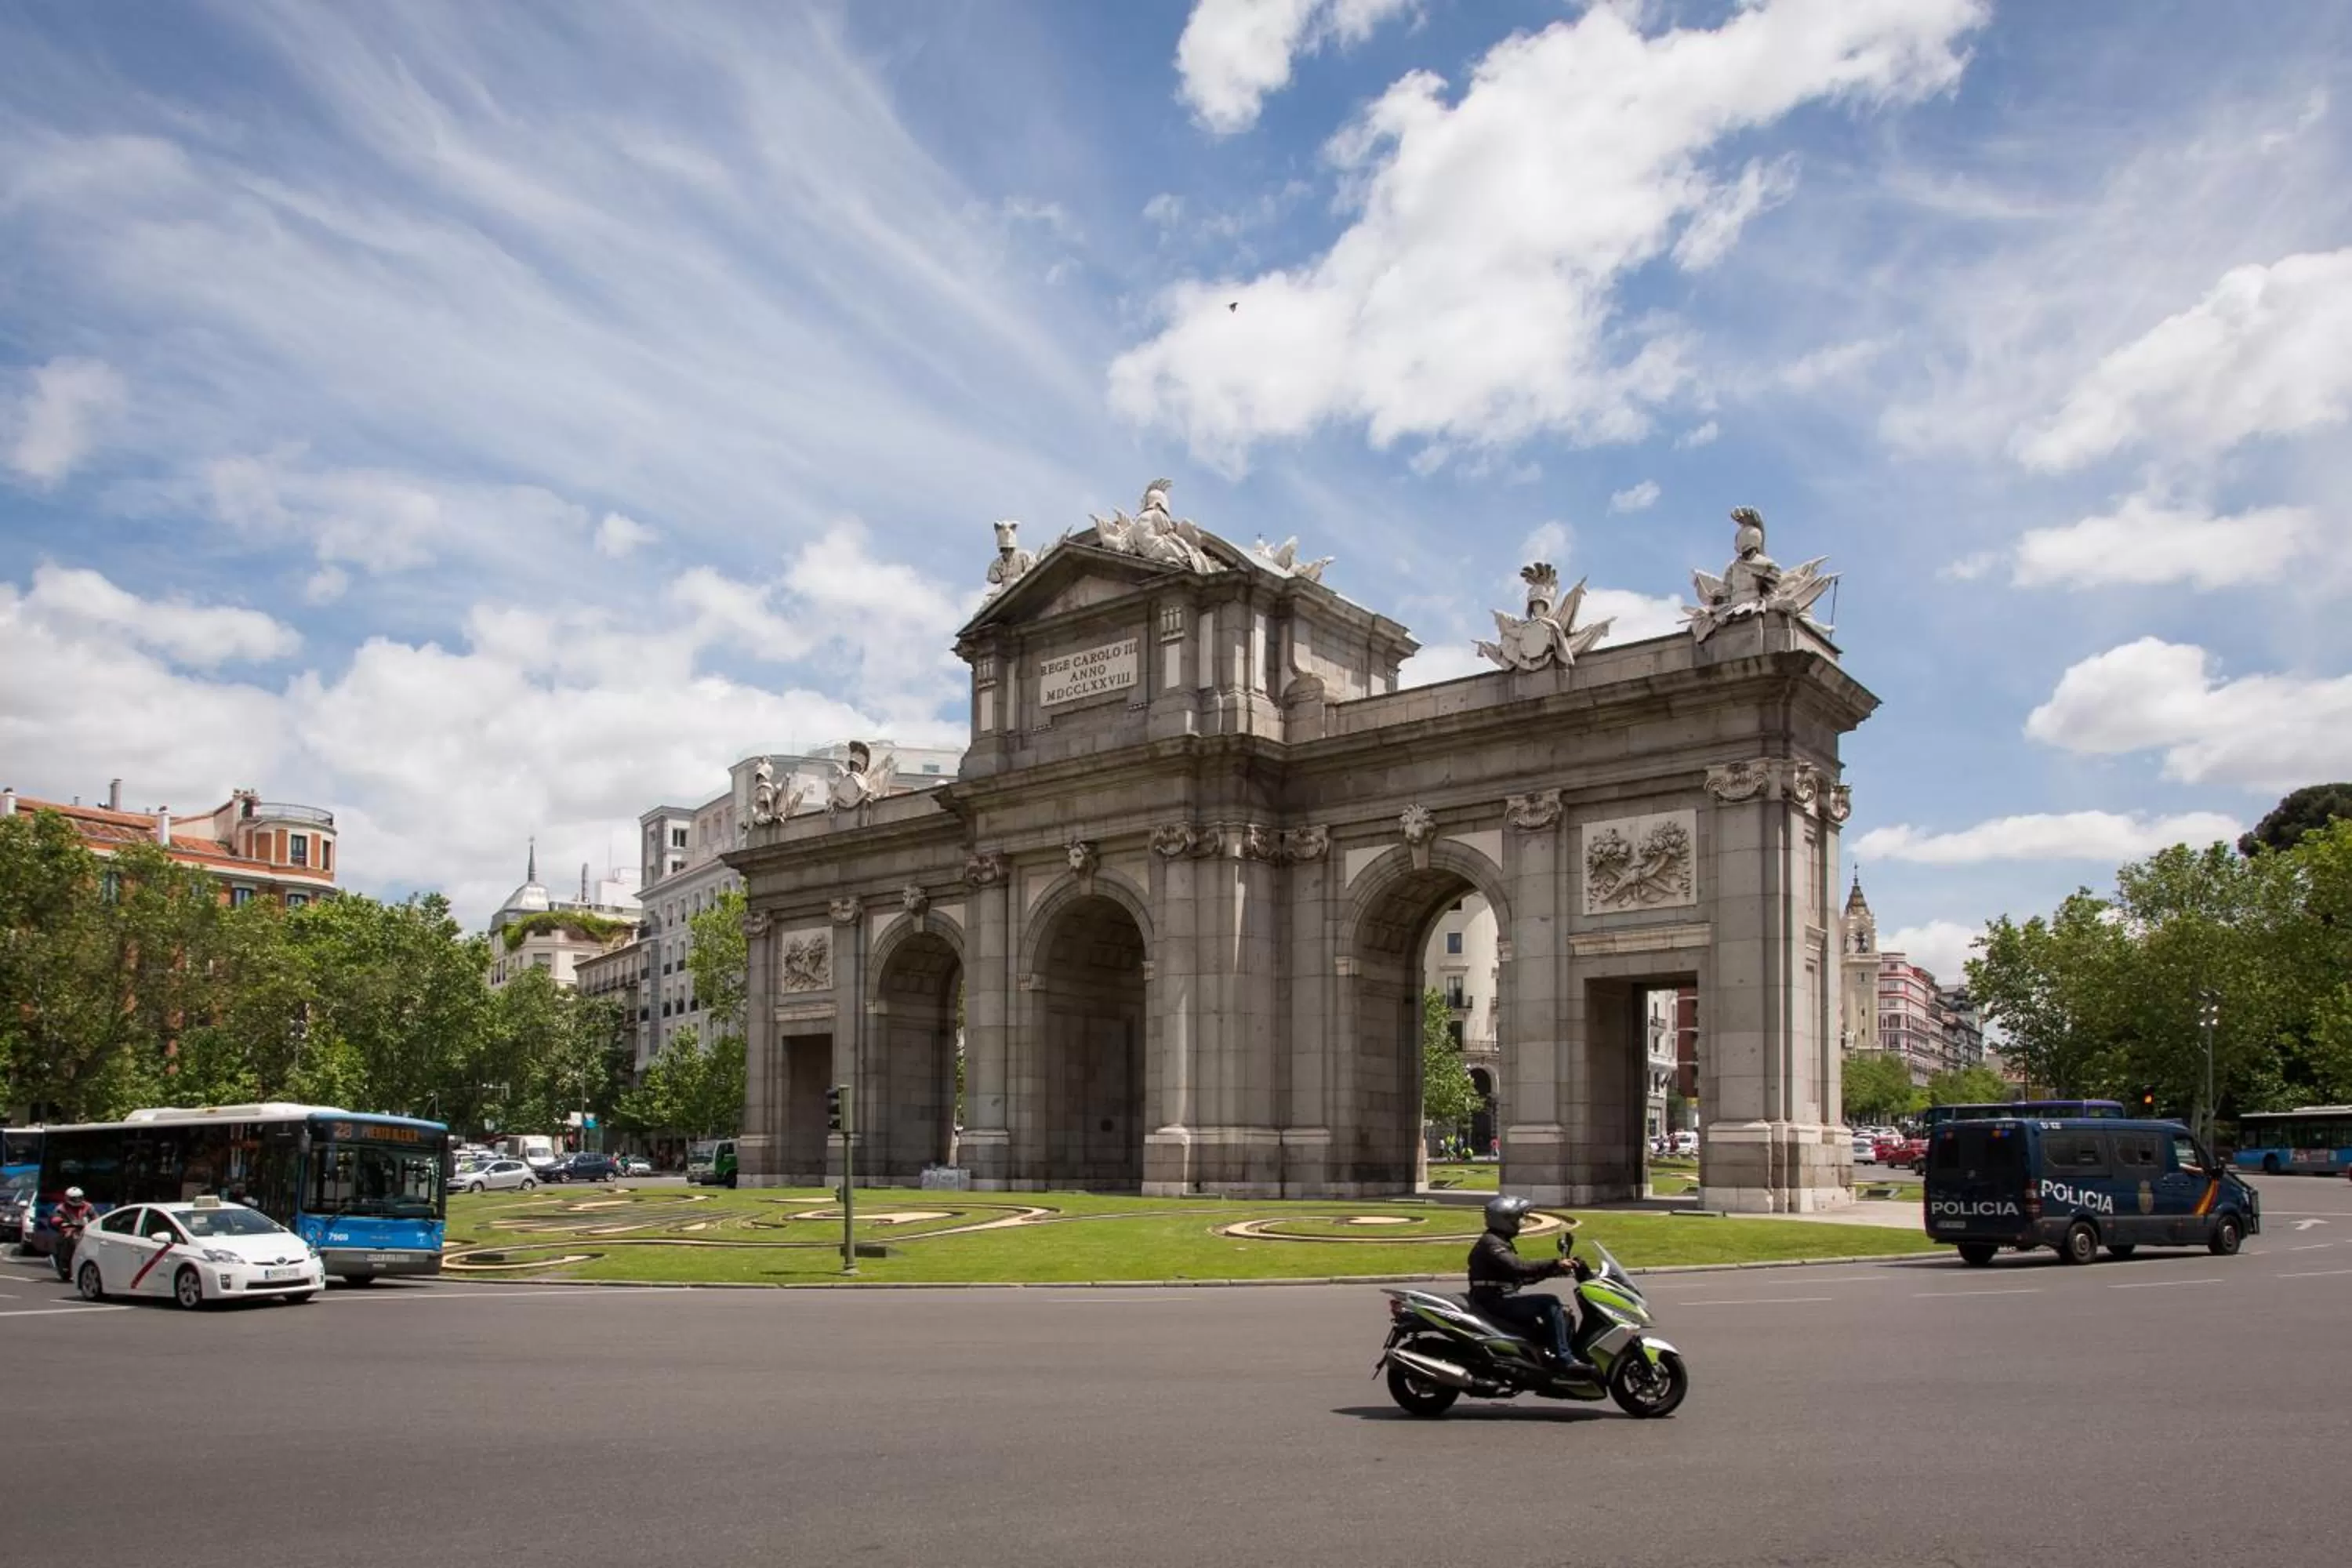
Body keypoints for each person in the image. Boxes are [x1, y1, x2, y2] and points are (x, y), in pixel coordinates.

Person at [1467, 1194, 1595, 1376]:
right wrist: (1554, 1264)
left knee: (1562, 1313)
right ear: (1505, 1220)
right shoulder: (1492, 1244)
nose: (1523, 1221)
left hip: (1500, 1296)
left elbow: (1521, 1277)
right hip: (1495, 1300)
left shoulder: (1497, 1241)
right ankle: (1564, 1360)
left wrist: (1556, 1269)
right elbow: (1519, 1268)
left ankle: (1542, 1359)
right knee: (1550, 1303)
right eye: (1519, 1217)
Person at [49, 1185, 96, 1282]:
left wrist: (95, 1222)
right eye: (74, 1198)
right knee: (67, 1237)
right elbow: (55, 1218)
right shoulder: (61, 1208)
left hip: (84, 1230)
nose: (77, 1200)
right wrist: (60, 1222)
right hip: (68, 1230)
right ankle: (64, 1262)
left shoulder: (88, 1206)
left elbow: (95, 1217)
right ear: (68, 1198)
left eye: (79, 1198)